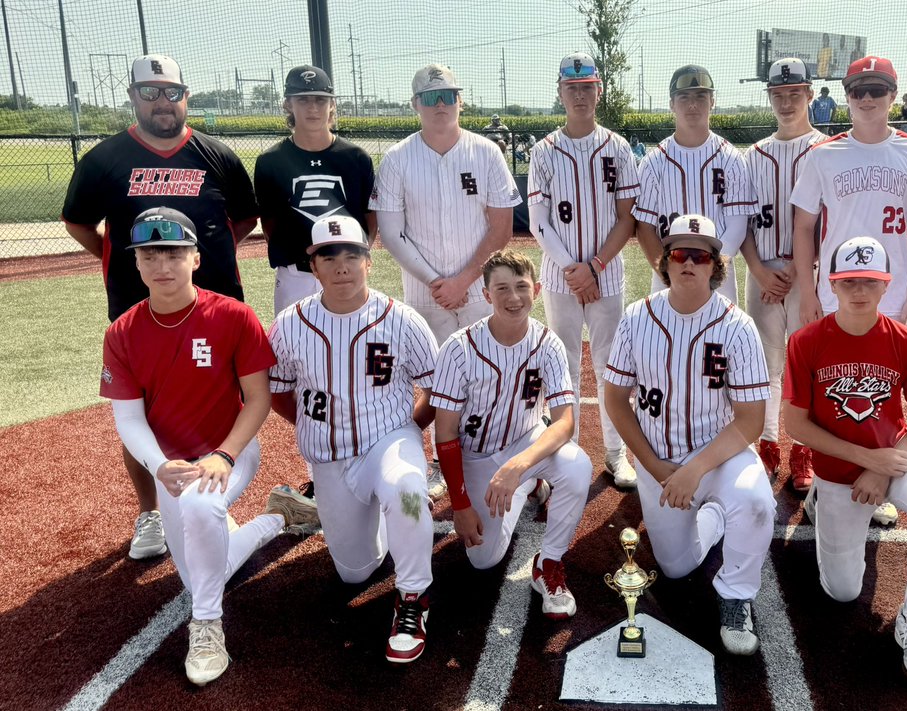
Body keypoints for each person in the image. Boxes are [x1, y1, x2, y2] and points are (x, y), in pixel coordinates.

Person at [100, 207, 318, 685]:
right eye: (150, 254)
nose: (163, 265)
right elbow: (129, 419)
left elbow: (258, 399)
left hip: (229, 451)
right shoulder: (122, 331)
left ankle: (206, 626)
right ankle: (279, 516)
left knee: (201, 513)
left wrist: (224, 453)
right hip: (171, 465)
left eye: (175, 252)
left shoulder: (233, 315)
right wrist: (160, 466)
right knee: (208, 569)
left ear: (196, 258)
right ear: (135, 263)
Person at [62, 54, 258, 561]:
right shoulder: (105, 157)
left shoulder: (216, 154)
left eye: (171, 91)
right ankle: (150, 510)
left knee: (223, 400)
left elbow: (243, 218)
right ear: (133, 97)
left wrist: (200, 264)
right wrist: (126, 262)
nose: (162, 101)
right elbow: (81, 224)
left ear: (185, 95)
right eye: (150, 92)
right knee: (143, 413)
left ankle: (216, 488)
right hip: (139, 305)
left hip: (215, 307)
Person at [782, 236, 907, 684]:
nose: (859, 291)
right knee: (842, 593)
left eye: (870, 282)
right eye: (849, 282)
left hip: (894, 458)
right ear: (831, 286)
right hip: (841, 470)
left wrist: (881, 467)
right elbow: (797, 426)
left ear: (887, 286)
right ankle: (822, 497)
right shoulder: (805, 342)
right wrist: (867, 460)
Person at [268, 215, 440, 663]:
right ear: (314, 266)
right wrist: (313, 426)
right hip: (328, 457)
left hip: (390, 442)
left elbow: (437, 391)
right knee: (354, 572)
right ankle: (379, 520)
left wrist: (406, 433)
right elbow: (279, 393)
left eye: (352, 256)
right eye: (329, 256)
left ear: (368, 262)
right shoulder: (289, 324)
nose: (341, 266)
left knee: (406, 490)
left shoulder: (401, 319)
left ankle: (413, 598)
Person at [604, 214, 776, 656]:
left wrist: (694, 471)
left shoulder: (738, 326)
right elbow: (616, 401)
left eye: (701, 255)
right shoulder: (636, 317)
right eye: (679, 253)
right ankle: (715, 520)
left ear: (715, 266)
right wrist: (658, 467)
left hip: (719, 456)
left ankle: (736, 595)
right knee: (676, 570)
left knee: (757, 503)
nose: (689, 263)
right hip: (657, 455)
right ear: (664, 261)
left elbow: (751, 420)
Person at [789, 55, 907, 527]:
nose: (868, 99)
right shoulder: (823, 154)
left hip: (890, 291)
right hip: (836, 289)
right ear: (847, 96)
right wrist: (807, 289)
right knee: (822, 386)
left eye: (877, 89)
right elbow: (803, 225)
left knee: (878, 389)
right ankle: (822, 476)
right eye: (858, 90)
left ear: (894, 95)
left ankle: (876, 476)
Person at [371, 63, 520, 491]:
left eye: (449, 96)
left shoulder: (486, 152)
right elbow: (392, 233)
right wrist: (438, 281)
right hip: (424, 294)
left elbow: (501, 227)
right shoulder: (398, 158)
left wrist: (463, 279)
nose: (442, 105)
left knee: (489, 374)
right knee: (434, 385)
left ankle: (494, 455)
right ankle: (437, 462)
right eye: (432, 98)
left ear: (461, 100)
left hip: (478, 290)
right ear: (415, 104)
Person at [430, 250, 592, 619]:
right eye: (501, 288)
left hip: (527, 441)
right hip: (476, 453)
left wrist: (518, 466)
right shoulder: (458, 348)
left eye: (521, 287)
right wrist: (459, 504)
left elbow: (564, 422)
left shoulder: (547, 342)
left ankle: (548, 563)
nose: (513, 297)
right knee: (483, 560)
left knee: (578, 467)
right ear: (486, 295)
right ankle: (528, 485)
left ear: (536, 289)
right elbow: (445, 434)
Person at [527, 52, 641, 489]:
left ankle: (616, 454)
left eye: (587, 87)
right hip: (560, 278)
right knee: (564, 367)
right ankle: (566, 455)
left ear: (598, 91)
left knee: (612, 366)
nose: (579, 95)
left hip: (606, 275)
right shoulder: (543, 151)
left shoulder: (617, 146)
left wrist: (593, 267)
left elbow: (626, 217)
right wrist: (575, 271)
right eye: (571, 88)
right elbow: (539, 222)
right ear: (560, 92)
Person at [742, 58, 826, 491]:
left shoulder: (831, 149)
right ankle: (769, 443)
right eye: (778, 94)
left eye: (795, 93)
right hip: (763, 272)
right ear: (770, 97)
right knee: (765, 365)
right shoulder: (751, 156)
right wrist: (758, 271)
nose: (787, 101)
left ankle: (804, 451)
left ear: (810, 94)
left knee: (805, 366)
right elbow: (739, 222)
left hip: (810, 275)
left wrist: (799, 270)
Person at [254, 64, 376, 315]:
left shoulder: (356, 157)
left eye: (320, 100)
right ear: (288, 104)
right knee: (291, 350)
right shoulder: (270, 161)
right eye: (303, 100)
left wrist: (355, 260)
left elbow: (370, 218)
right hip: (295, 276)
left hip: (346, 273)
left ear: (331, 104)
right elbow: (269, 225)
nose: (312, 108)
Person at [633, 65, 755, 305]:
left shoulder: (731, 158)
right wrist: (669, 273)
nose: (692, 104)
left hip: (719, 278)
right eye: (684, 97)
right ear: (671, 104)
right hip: (667, 276)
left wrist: (711, 269)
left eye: (700, 96)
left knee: (719, 341)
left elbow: (738, 224)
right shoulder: (652, 162)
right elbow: (645, 227)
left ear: (712, 101)